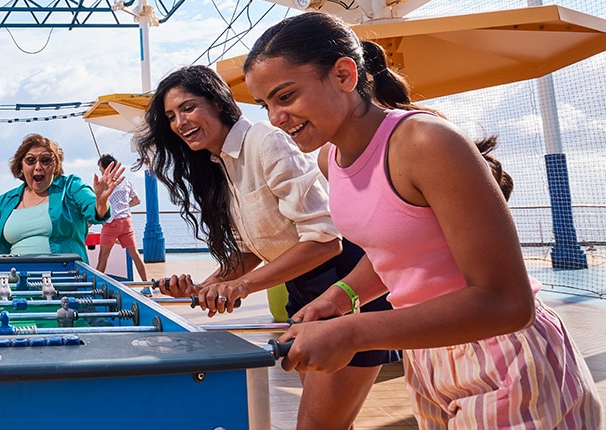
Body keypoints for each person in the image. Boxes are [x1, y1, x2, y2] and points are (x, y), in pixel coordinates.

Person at [243, 11, 600, 427]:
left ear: (344, 75)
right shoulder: (330, 159)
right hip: (427, 351)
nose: (274, 118)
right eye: (265, 104)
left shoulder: (426, 142)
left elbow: (507, 302)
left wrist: (354, 332)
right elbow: (395, 248)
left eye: (285, 97)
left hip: (505, 354)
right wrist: (340, 296)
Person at [137, 64, 397, 429]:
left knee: (317, 425)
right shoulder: (220, 164)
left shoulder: (266, 141)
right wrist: (205, 287)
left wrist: (242, 286)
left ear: (217, 103)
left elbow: (326, 241)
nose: (179, 122)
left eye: (188, 107)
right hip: (303, 292)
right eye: (171, 116)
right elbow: (252, 248)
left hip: (344, 287)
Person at [0, 134, 125, 262]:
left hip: (67, 279)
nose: (38, 166)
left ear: (55, 166)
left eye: (46, 160)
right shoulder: (7, 200)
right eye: (31, 161)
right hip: (18, 282)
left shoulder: (71, 187)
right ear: (21, 167)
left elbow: (94, 213)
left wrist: (101, 200)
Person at [94, 154, 148, 281]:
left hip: (111, 223)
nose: (100, 170)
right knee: (135, 255)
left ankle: (94, 286)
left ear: (105, 167)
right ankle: (147, 285)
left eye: (100, 167)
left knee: (103, 258)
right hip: (126, 222)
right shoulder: (126, 181)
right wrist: (124, 206)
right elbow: (136, 201)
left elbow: (99, 204)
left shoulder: (104, 184)